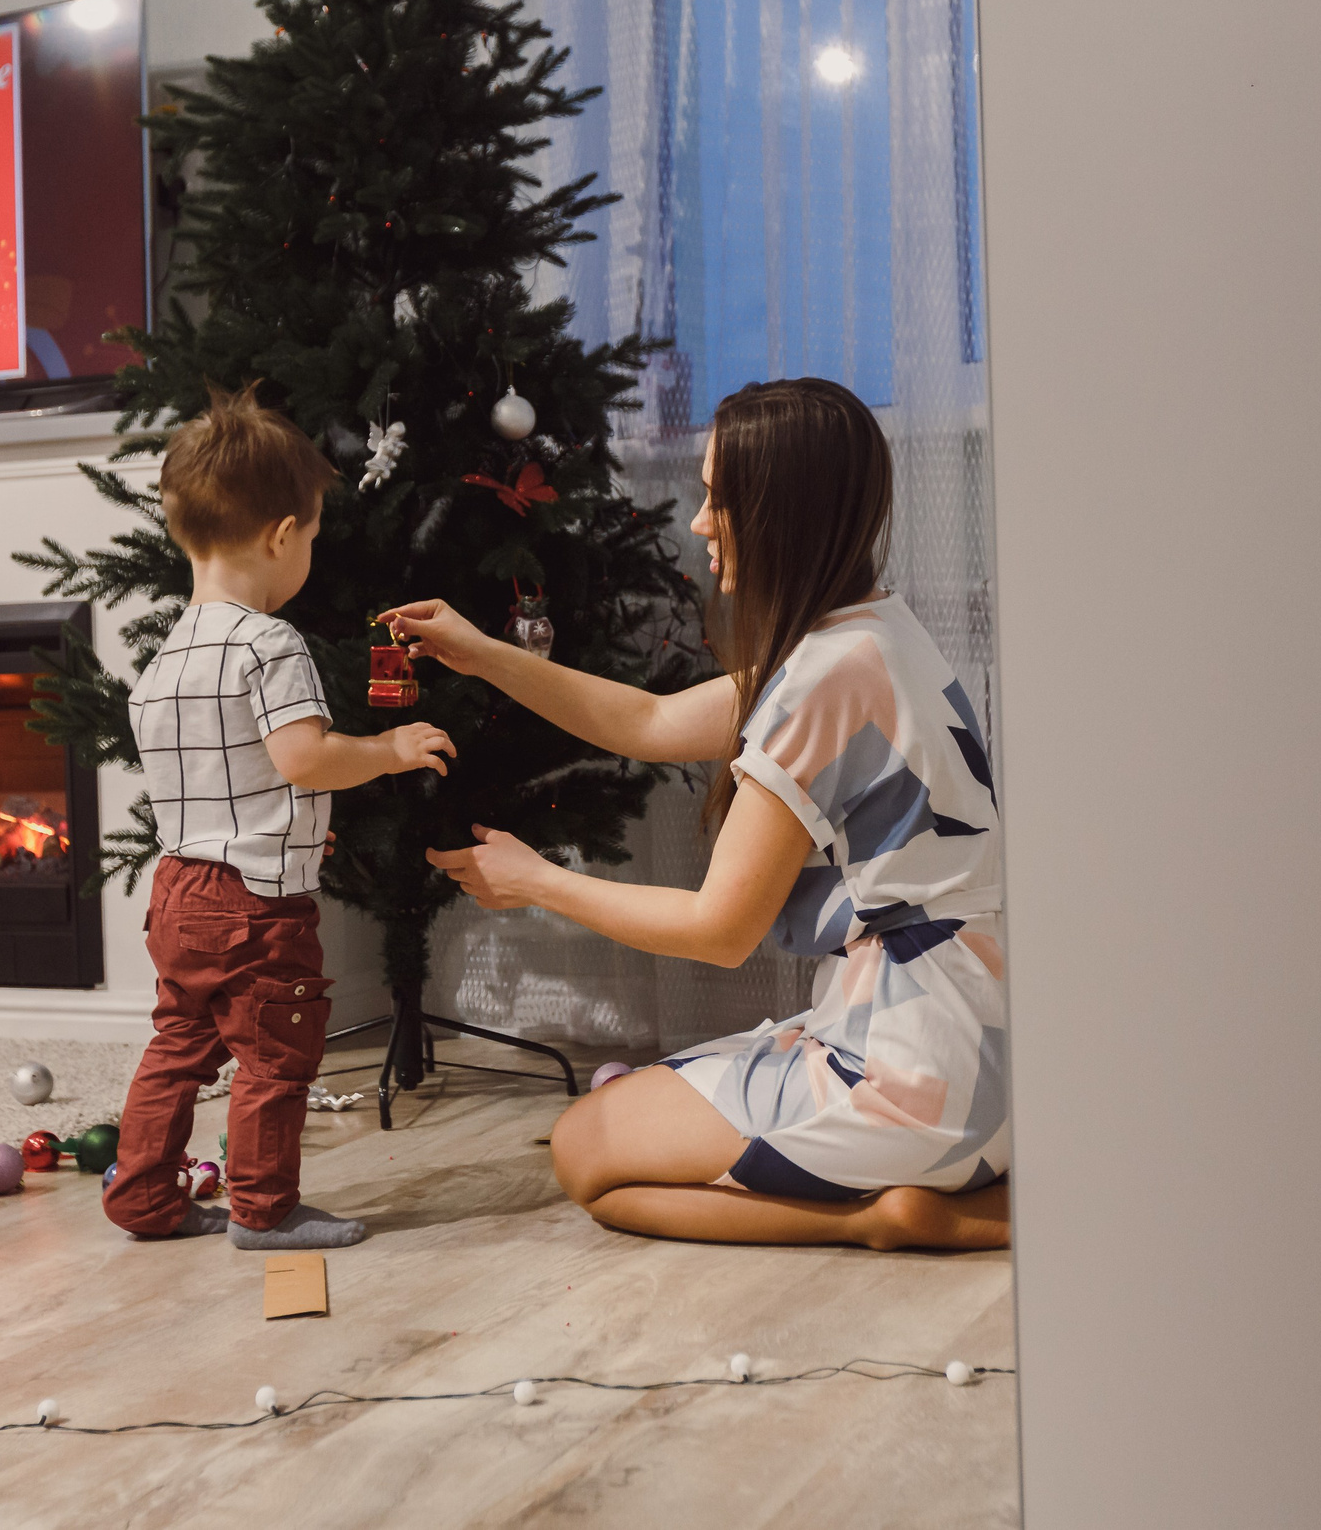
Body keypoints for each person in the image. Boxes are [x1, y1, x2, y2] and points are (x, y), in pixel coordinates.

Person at [387, 378, 1009, 1251]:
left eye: (722, 498)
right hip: (988, 1049)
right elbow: (647, 723)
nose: (701, 520)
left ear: (782, 512)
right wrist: (483, 655)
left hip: (914, 1072)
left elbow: (719, 930)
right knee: (626, 1111)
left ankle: (892, 1214)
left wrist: (539, 882)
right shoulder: (874, 633)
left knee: (584, 1149)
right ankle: (912, 1193)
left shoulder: (821, 680)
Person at [105, 390, 454, 1249]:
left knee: (177, 1043)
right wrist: (388, 747)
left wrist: (290, 819)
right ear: (279, 535)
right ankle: (265, 1208)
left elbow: (218, 783)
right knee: (275, 1051)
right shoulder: (269, 643)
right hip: (255, 903)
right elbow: (302, 757)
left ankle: (143, 1197)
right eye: (314, 535)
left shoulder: (159, 664)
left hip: (180, 892)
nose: (311, 552)